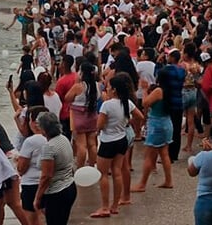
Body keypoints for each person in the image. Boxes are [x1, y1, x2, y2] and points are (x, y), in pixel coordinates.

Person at [92, 73, 144, 218]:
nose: (107, 89)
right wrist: (127, 122)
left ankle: (104, 206)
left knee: (103, 174)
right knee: (117, 172)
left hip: (108, 141)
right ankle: (115, 205)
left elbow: (100, 125)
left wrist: (100, 129)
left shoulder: (107, 105)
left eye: (108, 87)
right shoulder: (127, 103)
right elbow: (140, 116)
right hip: (121, 139)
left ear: (114, 89)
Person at [131, 66, 175, 192]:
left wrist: (145, 90)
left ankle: (142, 184)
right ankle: (168, 180)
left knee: (149, 155)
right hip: (166, 122)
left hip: (157, 124)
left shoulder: (159, 91)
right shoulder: (171, 90)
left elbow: (145, 103)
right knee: (164, 153)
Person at [34, 112, 77, 225]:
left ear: (44, 129)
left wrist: (38, 197)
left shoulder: (49, 147)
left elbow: (46, 176)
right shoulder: (63, 139)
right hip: (69, 186)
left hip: (57, 192)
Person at [65, 61, 100, 168]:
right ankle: (92, 165)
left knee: (81, 145)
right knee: (92, 143)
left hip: (79, 118)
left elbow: (67, 98)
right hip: (92, 116)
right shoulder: (96, 85)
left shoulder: (78, 87)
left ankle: (80, 167)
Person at [18, 106, 49, 225]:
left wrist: (18, 162)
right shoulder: (54, 138)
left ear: (35, 122)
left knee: (32, 220)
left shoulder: (31, 141)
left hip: (31, 183)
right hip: (49, 182)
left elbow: (21, 168)